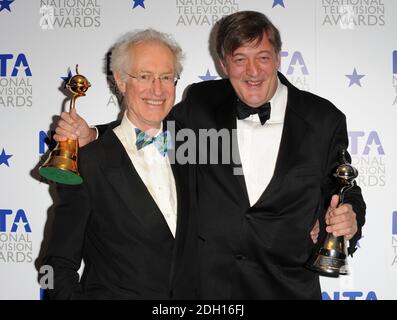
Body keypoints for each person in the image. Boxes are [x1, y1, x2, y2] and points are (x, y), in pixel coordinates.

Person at [53, 11, 365, 299]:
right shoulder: (203, 103)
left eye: (263, 57)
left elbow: (342, 188)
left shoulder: (323, 119)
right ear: (223, 64)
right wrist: (94, 135)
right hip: (210, 294)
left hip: (287, 290)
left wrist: (348, 217)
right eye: (240, 59)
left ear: (278, 59)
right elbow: (149, 130)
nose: (252, 71)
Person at [41, 29, 197, 299]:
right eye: (145, 77)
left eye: (166, 77)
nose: (157, 90)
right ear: (121, 81)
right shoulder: (89, 163)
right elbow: (55, 267)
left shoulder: (194, 148)